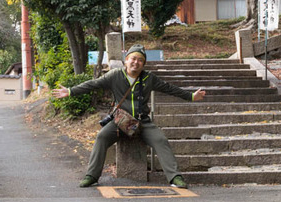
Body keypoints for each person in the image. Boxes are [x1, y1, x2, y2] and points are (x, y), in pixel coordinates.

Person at [52, 44, 206, 189]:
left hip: (143, 121)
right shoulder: (115, 75)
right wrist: (71, 91)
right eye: (133, 58)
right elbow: (94, 84)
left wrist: (191, 96)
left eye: (140, 60)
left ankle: (174, 177)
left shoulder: (149, 78)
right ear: (126, 60)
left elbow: (169, 88)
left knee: (161, 140)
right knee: (102, 137)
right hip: (120, 121)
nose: (136, 62)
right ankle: (92, 175)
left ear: (143, 64)